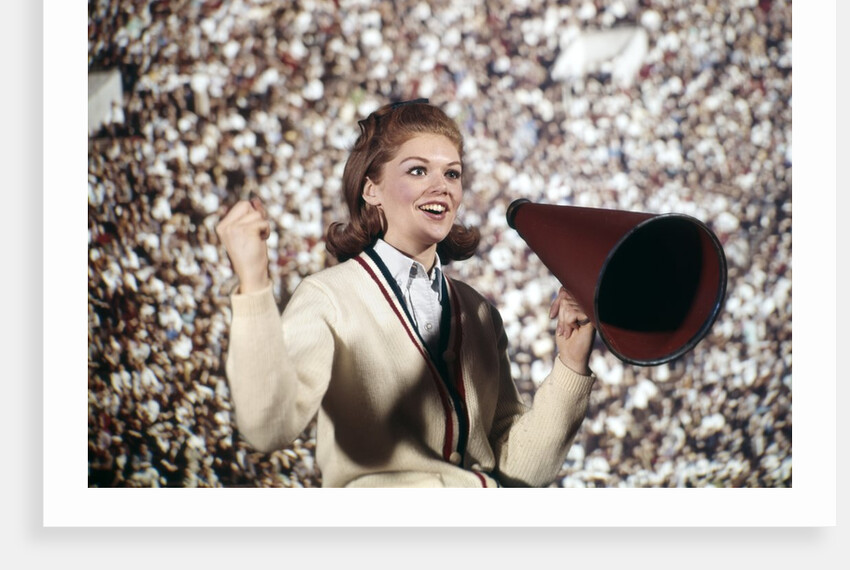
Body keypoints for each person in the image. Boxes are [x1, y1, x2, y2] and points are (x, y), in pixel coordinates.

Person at [215, 99, 596, 487]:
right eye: (417, 170)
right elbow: (268, 428)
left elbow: (519, 472)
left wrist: (571, 364)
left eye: (452, 174)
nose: (441, 188)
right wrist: (254, 284)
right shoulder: (328, 297)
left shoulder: (478, 311)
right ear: (371, 190)